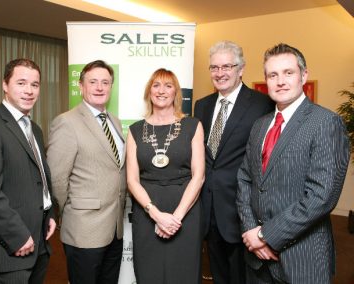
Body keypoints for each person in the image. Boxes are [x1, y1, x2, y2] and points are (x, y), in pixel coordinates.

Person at [236, 43, 350, 283]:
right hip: (256, 259)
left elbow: (321, 196)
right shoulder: (260, 126)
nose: (280, 81)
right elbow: (245, 179)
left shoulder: (325, 123)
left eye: (288, 73)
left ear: (303, 76)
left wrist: (266, 235)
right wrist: (251, 233)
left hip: (303, 258)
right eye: (272, 75)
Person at [0, 58, 56, 283]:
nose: (29, 91)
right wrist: (18, 236)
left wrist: (50, 212)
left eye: (35, 85)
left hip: (38, 241)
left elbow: (37, 178)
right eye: (21, 83)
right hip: (10, 247)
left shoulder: (34, 128)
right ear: (5, 85)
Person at [194, 41, 274, 284]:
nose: (220, 73)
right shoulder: (202, 105)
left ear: (241, 69)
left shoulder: (262, 104)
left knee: (243, 276)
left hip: (244, 210)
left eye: (227, 66)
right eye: (214, 67)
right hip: (209, 208)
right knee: (218, 273)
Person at [46, 60, 126, 284]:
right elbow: (57, 178)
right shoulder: (67, 122)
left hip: (115, 228)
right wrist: (67, 212)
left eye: (105, 82)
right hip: (84, 228)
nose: (99, 87)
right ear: (81, 86)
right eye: (93, 82)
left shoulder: (115, 122)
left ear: (111, 87)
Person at [127, 68, 205, 283]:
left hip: (185, 211)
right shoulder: (135, 130)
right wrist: (156, 215)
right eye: (156, 85)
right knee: (148, 273)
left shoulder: (193, 125)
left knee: (184, 274)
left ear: (176, 93)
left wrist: (176, 218)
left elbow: (198, 176)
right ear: (149, 91)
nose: (162, 91)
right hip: (147, 211)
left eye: (168, 86)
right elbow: (132, 180)